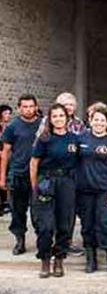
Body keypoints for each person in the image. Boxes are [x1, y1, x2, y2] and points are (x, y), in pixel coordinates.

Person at [29, 104, 79, 278]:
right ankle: (44, 259)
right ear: (50, 119)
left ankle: (59, 258)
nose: (58, 119)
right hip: (46, 182)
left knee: (65, 225)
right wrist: (35, 185)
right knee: (45, 226)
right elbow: (34, 162)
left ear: (67, 118)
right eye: (55, 116)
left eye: (61, 115)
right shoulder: (44, 139)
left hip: (67, 183)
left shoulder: (74, 139)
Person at [77, 106, 107, 273]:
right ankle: (90, 258)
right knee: (87, 225)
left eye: (102, 120)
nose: (99, 123)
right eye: (96, 119)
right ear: (90, 121)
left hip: (106, 190)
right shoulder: (81, 138)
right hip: (84, 190)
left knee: (106, 223)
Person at [0, 94, 42, 255]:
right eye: (25, 106)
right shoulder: (12, 127)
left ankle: (41, 240)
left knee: (38, 211)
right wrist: (2, 177)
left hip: (39, 175)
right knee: (17, 210)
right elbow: (5, 153)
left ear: (36, 107)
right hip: (17, 174)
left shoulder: (43, 125)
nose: (28, 109)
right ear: (19, 108)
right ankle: (20, 240)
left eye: (31, 106)